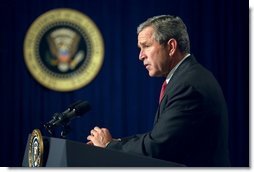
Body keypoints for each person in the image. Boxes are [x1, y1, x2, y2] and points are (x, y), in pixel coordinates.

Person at [86, 15, 230, 167]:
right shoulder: (186, 77)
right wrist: (117, 142)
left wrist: (110, 147)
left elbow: (158, 146)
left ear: (171, 47)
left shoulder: (188, 85)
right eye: (140, 48)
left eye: (146, 46)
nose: (141, 56)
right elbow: (160, 136)